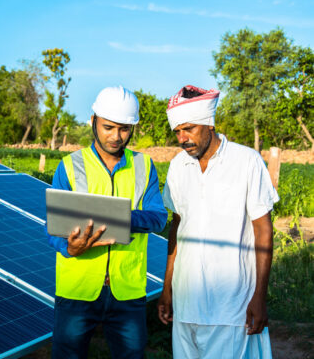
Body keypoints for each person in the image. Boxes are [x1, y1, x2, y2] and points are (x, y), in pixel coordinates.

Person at [157, 85, 279, 358]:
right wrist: (167, 289)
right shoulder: (178, 166)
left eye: (189, 129)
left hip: (231, 305)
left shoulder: (246, 161)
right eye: (177, 131)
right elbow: (177, 228)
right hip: (186, 303)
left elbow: (263, 231)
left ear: (209, 124)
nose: (182, 138)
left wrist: (259, 297)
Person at [46, 86, 168, 359]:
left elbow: (158, 217)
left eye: (124, 129)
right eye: (108, 127)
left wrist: (118, 217)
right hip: (78, 287)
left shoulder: (144, 166)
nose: (116, 136)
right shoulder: (69, 165)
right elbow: (52, 226)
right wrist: (69, 248)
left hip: (127, 289)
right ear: (93, 121)